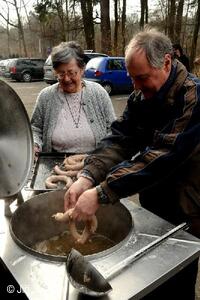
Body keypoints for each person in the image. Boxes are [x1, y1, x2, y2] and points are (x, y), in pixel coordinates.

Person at [64, 29, 200, 299]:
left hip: (188, 210)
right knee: (150, 279)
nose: (135, 87)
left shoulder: (193, 99)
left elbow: (162, 156)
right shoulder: (142, 97)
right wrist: (88, 176)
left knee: (177, 283)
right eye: (131, 78)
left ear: (167, 63)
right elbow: (120, 139)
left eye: (142, 78)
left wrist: (102, 192)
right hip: (154, 203)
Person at [31, 41, 116, 155]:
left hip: (95, 163)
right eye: (61, 74)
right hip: (56, 164)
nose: (66, 79)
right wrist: (35, 145)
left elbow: (113, 129)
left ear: (82, 70)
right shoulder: (46, 97)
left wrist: (104, 155)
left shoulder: (99, 93)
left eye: (72, 73)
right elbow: (35, 129)